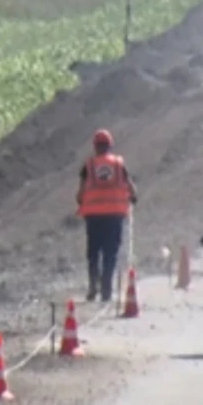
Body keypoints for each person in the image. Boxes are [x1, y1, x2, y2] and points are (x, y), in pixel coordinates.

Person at [76, 128, 138, 304]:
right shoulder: (119, 165)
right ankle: (106, 290)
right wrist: (132, 198)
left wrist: (82, 202)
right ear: (110, 146)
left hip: (93, 217)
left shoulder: (88, 166)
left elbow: (80, 193)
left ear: (95, 146)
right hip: (115, 216)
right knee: (111, 253)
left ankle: (92, 286)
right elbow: (131, 188)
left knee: (94, 252)